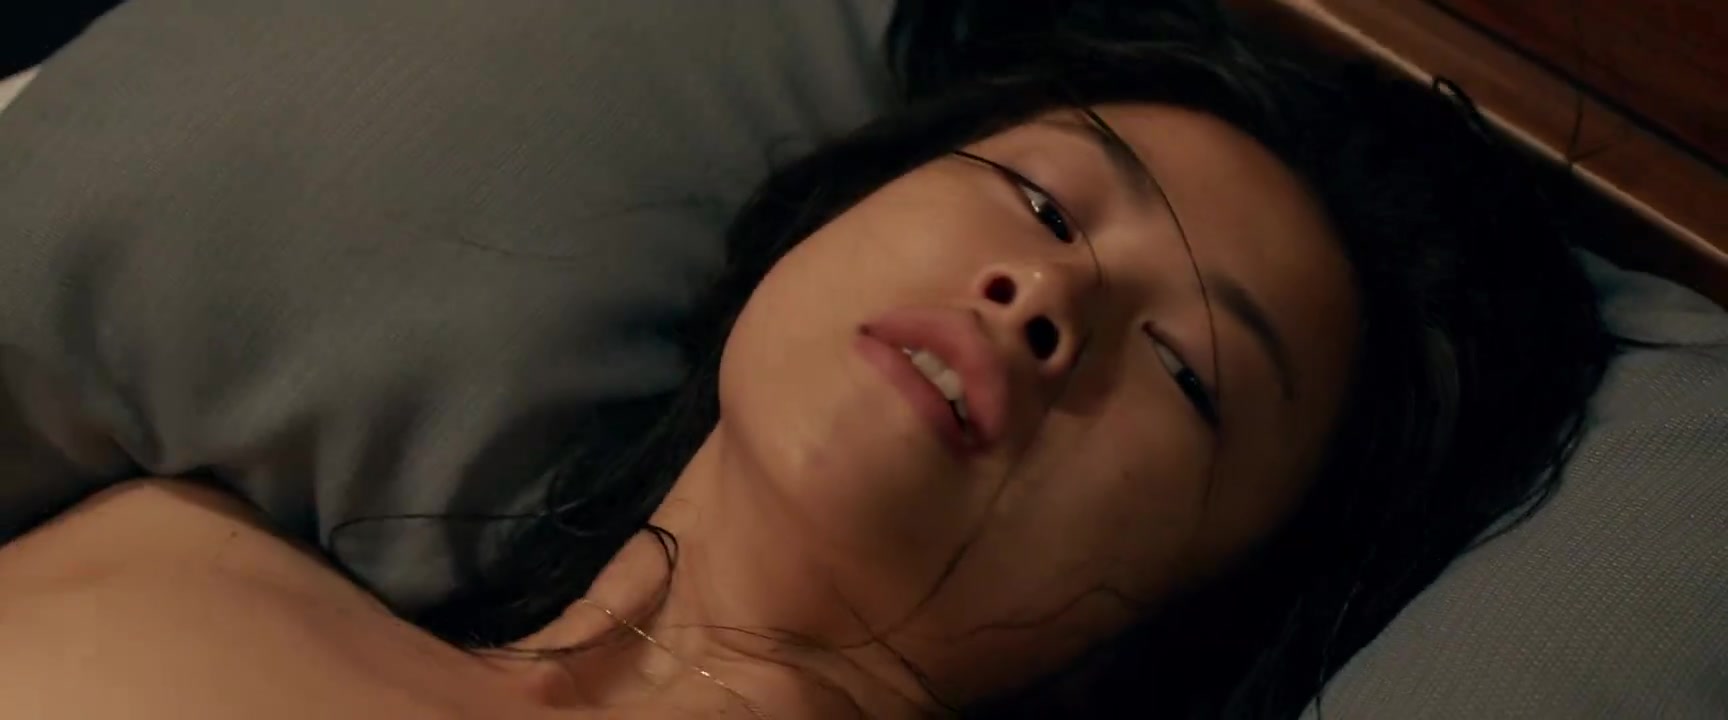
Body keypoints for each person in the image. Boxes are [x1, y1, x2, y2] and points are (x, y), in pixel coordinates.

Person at [0, 2, 1612, 718]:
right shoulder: (172, 562)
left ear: (1190, 616)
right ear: (826, 220)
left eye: (1188, 376)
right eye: (1044, 201)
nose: (1047, 293)